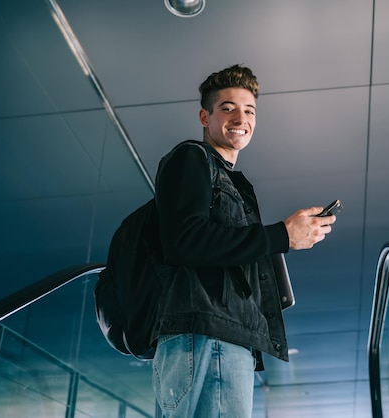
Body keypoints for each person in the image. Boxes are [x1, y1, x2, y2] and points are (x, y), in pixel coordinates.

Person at [151, 64, 336, 417]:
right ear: (204, 116)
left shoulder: (230, 180)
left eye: (249, 110)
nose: (241, 117)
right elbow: (185, 241)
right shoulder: (191, 157)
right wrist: (281, 235)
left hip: (224, 333)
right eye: (228, 108)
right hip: (207, 330)